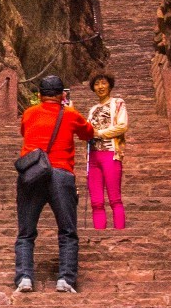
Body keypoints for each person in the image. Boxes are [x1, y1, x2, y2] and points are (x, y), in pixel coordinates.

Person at [14, 74, 96, 294]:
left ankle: (24, 277)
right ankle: (66, 280)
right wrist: (72, 109)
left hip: (31, 175)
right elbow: (88, 133)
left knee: (26, 232)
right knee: (67, 231)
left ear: (39, 95)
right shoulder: (70, 114)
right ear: (63, 95)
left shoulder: (29, 113)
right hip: (61, 174)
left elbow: (25, 132)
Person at [87, 72, 127, 233]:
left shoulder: (117, 103)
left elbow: (122, 126)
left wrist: (100, 133)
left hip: (111, 153)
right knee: (96, 201)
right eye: (97, 84)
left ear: (110, 85)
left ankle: (119, 233)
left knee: (114, 198)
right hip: (93, 156)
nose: (100, 87)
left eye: (103, 83)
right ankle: (99, 233)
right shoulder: (93, 109)